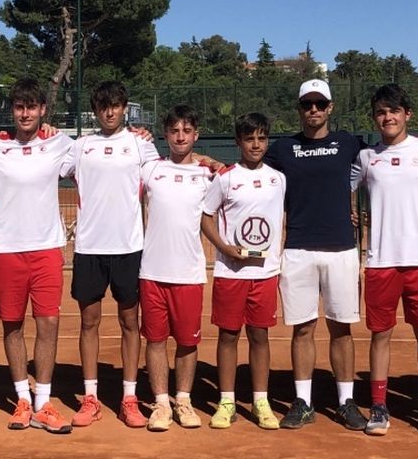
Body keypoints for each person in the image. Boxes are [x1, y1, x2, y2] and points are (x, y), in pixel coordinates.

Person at [263, 79, 367, 431]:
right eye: (307, 105)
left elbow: (387, 151)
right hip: (298, 249)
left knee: (341, 328)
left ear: (330, 108)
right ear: (299, 110)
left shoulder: (349, 143)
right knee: (303, 328)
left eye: (319, 104)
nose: (313, 110)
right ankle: (303, 401)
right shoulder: (283, 149)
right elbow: (248, 162)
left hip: (341, 249)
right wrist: (203, 159)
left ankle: (345, 401)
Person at [0, 80, 74, 434]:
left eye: (32, 107)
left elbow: (99, 153)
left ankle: (43, 402)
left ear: (43, 110)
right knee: (12, 324)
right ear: (12, 110)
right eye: (20, 107)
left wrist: (138, 135)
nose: (25, 113)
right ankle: (22, 397)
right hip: (6, 250)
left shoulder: (59, 143)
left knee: (48, 323)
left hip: (47, 248)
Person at [64, 81, 161, 428]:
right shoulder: (80, 146)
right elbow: (46, 160)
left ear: (124, 108)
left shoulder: (141, 144)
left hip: (129, 249)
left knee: (130, 323)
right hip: (89, 248)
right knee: (89, 322)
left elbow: (167, 174)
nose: (109, 111)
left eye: (116, 105)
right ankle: (90, 397)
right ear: (95, 109)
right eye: (103, 105)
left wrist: (205, 160)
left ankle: (129, 398)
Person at [351, 84, 418, 437]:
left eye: (394, 111)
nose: (387, 118)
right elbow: (346, 186)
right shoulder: (366, 157)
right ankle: (378, 406)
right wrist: (349, 212)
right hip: (380, 261)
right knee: (380, 336)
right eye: (380, 112)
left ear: (408, 115)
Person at [201, 112, 286, 430]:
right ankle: (226, 401)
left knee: (260, 335)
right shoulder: (225, 178)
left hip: (265, 273)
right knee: (228, 335)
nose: (255, 144)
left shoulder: (279, 178)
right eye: (249, 138)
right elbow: (206, 217)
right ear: (238, 142)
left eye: (261, 138)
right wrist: (224, 249)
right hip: (230, 272)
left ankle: (261, 401)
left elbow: (285, 218)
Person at [139, 104, 211, 432]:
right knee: (154, 340)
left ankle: (183, 399)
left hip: (189, 274)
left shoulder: (208, 174)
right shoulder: (150, 169)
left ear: (196, 135)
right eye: (174, 130)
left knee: (186, 342)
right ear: (165, 134)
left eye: (186, 131)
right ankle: (161, 403)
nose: (180, 136)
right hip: (152, 272)